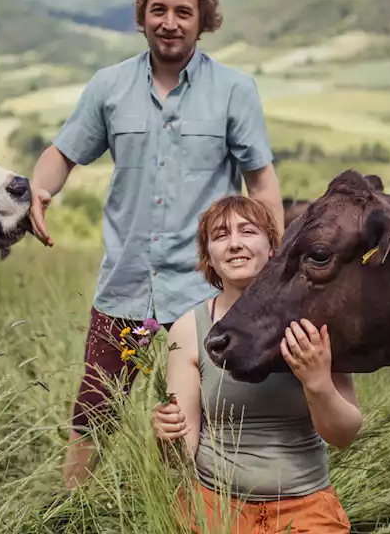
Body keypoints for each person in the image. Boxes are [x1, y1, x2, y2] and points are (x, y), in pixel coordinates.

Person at [27, 0, 285, 489]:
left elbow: (260, 182)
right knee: (94, 410)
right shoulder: (109, 87)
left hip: (201, 292)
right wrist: (40, 188)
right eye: (159, 10)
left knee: (207, 414)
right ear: (143, 17)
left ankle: (196, 510)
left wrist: (272, 265)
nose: (170, 21)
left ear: (202, 19)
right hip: (124, 287)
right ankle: (68, 511)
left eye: (183, 11)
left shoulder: (234, 90)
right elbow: (62, 153)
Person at [152, 195, 362, 533]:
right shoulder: (190, 329)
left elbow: (344, 435)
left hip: (306, 508)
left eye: (247, 232)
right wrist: (167, 437)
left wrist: (317, 382)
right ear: (209, 257)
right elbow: (181, 457)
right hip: (214, 508)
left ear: (274, 247)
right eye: (220, 236)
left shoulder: (315, 322)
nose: (234, 244)